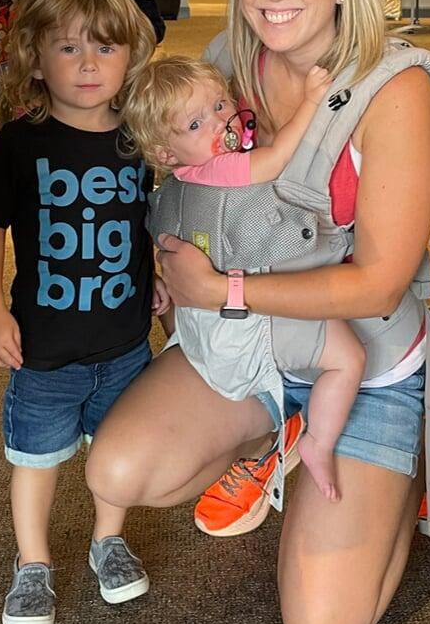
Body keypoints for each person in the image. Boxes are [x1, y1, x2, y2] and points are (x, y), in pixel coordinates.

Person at [88, 0, 430, 624]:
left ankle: (425, 435)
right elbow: (189, 189)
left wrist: (223, 289)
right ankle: (274, 437)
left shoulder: (396, 88)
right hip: (251, 348)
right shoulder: (223, 66)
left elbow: (379, 282)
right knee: (121, 471)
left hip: (363, 354)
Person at [0, 0, 166, 624]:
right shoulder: (21, 143)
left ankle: (108, 540)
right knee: (36, 459)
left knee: (116, 456)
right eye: (68, 47)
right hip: (43, 350)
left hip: (125, 343)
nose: (87, 65)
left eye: (104, 48)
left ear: (131, 57)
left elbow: (150, 218)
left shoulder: (140, 139)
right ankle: (33, 563)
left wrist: (161, 271)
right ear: (35, 57)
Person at [120, 55, 365, 501]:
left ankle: (274, 436)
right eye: (195, 124)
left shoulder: (173, 189)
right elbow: (274, 159)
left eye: (219, 105)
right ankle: (316, 440)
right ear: (165, 153)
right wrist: (311, 100)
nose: (218, 123)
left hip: (205, 337)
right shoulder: (220, 170)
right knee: (347, 358)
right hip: (255, 330)